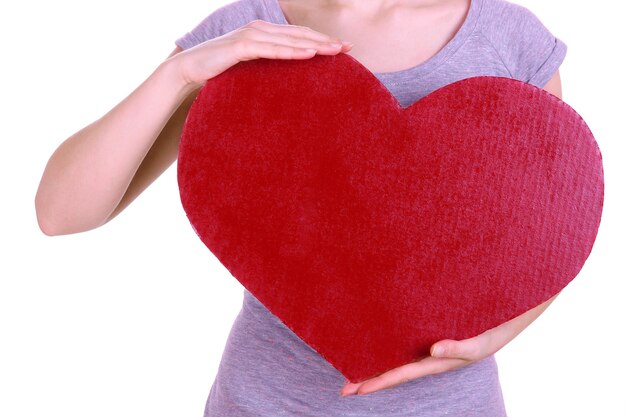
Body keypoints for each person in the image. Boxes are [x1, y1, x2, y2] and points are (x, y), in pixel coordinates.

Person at [35, 0, 567, 415]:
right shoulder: (250, 29)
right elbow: (60, 213)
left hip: (452, 407)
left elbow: (555, 235)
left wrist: (496, 337)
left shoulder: (511, 40)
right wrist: (178, 73)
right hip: (263, 404)